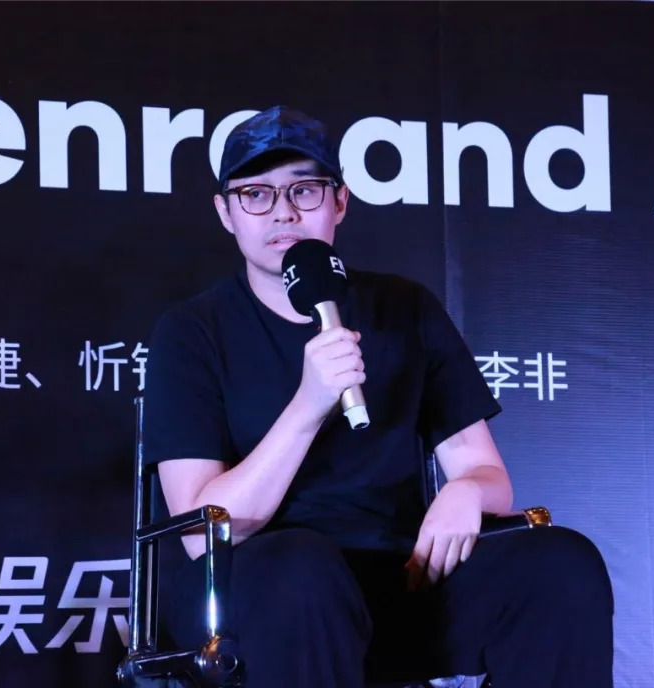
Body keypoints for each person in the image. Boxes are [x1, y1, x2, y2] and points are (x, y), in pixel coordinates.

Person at [142, 105, 614, 687]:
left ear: (339, 202)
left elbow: (485, 470)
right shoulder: (192, 331)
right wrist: (308, 405)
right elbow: (203, 532)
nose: (284, 212)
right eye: (256, 194)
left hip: (397, 577)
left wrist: (467, 491)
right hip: (251, 583)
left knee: (560, 563)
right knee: (302, 571)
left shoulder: (404, 308)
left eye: (304, 190)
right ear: (226, 212)